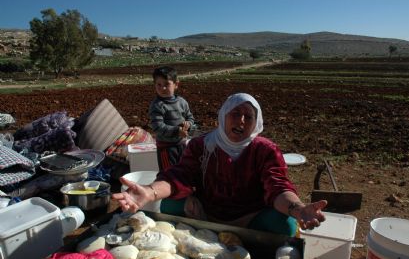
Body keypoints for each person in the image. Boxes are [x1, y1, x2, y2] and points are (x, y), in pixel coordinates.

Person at [114, 93, 327, 236]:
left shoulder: (265, 150)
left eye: (248, 116)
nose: (241, 120)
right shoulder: (202, 145)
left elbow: (277, 187)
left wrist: (298, 208)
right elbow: (181, 175)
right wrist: (150, 192)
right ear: (224, 116)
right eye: (235, 113)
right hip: (208, 212)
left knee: (286, 224)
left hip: (250, 216)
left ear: (256, 123)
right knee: (168, 204)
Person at [149, 66, 195, 171]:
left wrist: (188, 125)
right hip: (166, 148)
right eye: (159, 85)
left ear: (176, 84)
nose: (163, 88)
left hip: (181, 144)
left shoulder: (182, 102)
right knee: (168, 174)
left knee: (183, 171)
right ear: (154, 85)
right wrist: (177, 131)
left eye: (167, 84)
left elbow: (190, 118)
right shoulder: (157, 105)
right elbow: (158, 127)